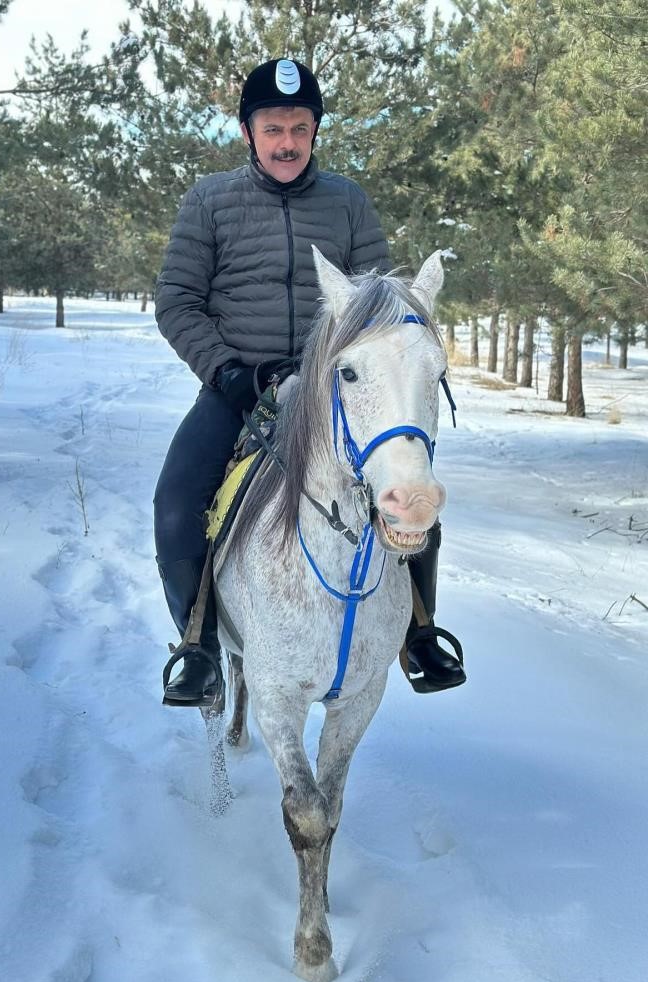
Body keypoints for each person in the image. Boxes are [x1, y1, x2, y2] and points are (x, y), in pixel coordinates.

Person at [153, 57, 466, 707]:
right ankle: (199, 644)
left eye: (299, 126)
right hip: (237, 388)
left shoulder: (348, 202)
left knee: (409, 492)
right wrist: (228, 372)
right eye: (272, 128)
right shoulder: (209, 203)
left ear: (315, 130)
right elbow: (177, 302)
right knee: (178, 503)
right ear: (248, 132)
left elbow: (380, 304)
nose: (287, 141)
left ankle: (418, 632)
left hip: (335, 393)